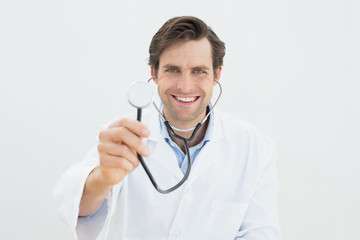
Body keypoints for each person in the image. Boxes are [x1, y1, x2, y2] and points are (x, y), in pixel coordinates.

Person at [54, 16, 281, 240]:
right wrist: (102, 178)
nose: (185, 86)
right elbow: (77, 206)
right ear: (154, 73)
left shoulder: (254, 146)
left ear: (216, 74)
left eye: (198, 71)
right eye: (172, 70)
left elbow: (260, 233)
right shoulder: (122, 137)